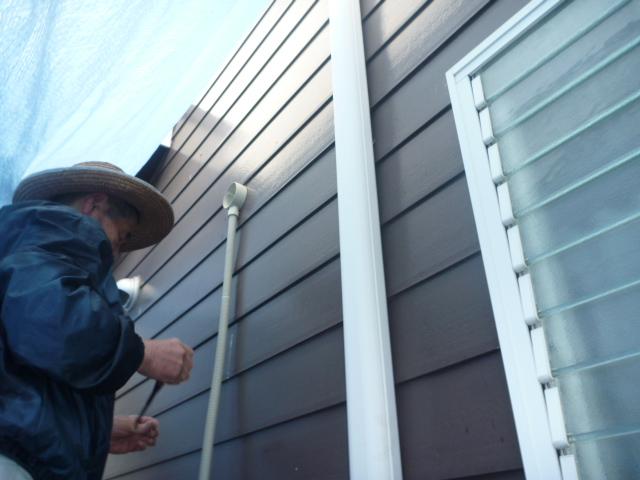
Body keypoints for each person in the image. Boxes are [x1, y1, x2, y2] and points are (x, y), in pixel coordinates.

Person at [0, 161, 194, 479]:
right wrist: (142, 354)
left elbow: (29, 377)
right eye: (122, 235)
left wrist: (101, 432)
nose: (117, 251)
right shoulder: (52, 233)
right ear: (94, 205)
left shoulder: (34, 244)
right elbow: (52, 324)